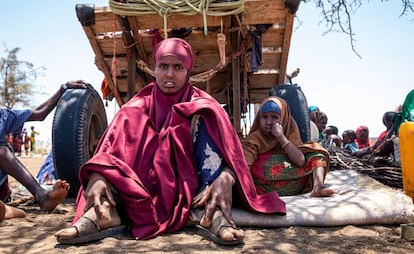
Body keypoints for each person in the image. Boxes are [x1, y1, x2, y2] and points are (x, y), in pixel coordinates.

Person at [54, 38, 285, 245]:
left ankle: (213, 213)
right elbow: (108, 152)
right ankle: (103, 212)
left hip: (198, 190)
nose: (170, 74)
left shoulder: (206, 105)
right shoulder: (133, 108)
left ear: (188, 72)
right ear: (155, 69)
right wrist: (96, 175)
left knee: (206, 115)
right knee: (127, 128)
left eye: (178, 67)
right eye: (163, 66)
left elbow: (233, 154)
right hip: (140, 189)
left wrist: (227, 176)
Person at [0, 80, 90, 222]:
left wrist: (63, 88)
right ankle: (9, 211)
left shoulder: (3, 116)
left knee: (2, 152)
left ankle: (41, 195)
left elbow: (39, 114)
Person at [241, 96, 334, 197]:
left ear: (284, 118)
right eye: (265, 117)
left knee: (316, 151)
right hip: (263, 186)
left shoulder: (290, 133)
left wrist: (281, 137)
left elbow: (300, 160)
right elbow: (245, 164)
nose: (269, 122)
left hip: (293, 182)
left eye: (274, 117)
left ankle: (318, 187)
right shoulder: (254, 138)